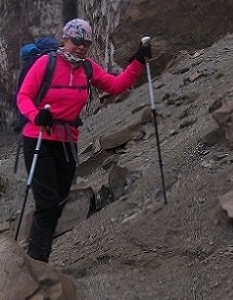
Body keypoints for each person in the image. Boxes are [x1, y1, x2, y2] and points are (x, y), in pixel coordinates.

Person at [15, 18, 152, 262]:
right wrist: (38, 116)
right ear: (65, 39)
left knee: (58, 202)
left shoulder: (88, 68)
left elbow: (116, 85)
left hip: (67, 143)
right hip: (38, 139)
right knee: (47, 202)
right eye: (76, 40)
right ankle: (37, 261)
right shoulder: (45, 64)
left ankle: (36, 255)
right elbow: (24, 97)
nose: (81, 46)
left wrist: (138, 61)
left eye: (86, 42)